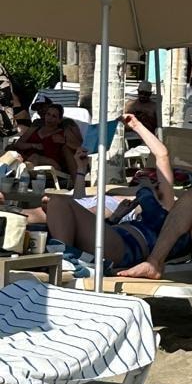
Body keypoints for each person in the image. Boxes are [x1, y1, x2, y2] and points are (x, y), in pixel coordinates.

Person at [43, 113, 184, 271]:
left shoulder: (166, 208)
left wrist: (137, 126)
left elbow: (162, 155)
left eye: (151, 180)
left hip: (126, 245)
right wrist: (81, 169)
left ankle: (65, 260)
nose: (145, 181)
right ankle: (65, 258)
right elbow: (80, 201)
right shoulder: (121, 195)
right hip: (108, 232)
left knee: (58, 204)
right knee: (56, 203)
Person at [7, 99, 83, 177]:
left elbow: (79, 146)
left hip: (51, 163)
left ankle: (22, 176)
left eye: (54, 116)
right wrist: (33, 145)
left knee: (35, 157)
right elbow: (18, 144)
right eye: (48, 114)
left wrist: (64, 141)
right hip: (26, 158)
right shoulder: (36, 126)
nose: (49, 118)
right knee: (11, 153)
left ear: (59, 120)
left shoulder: (65, 128)